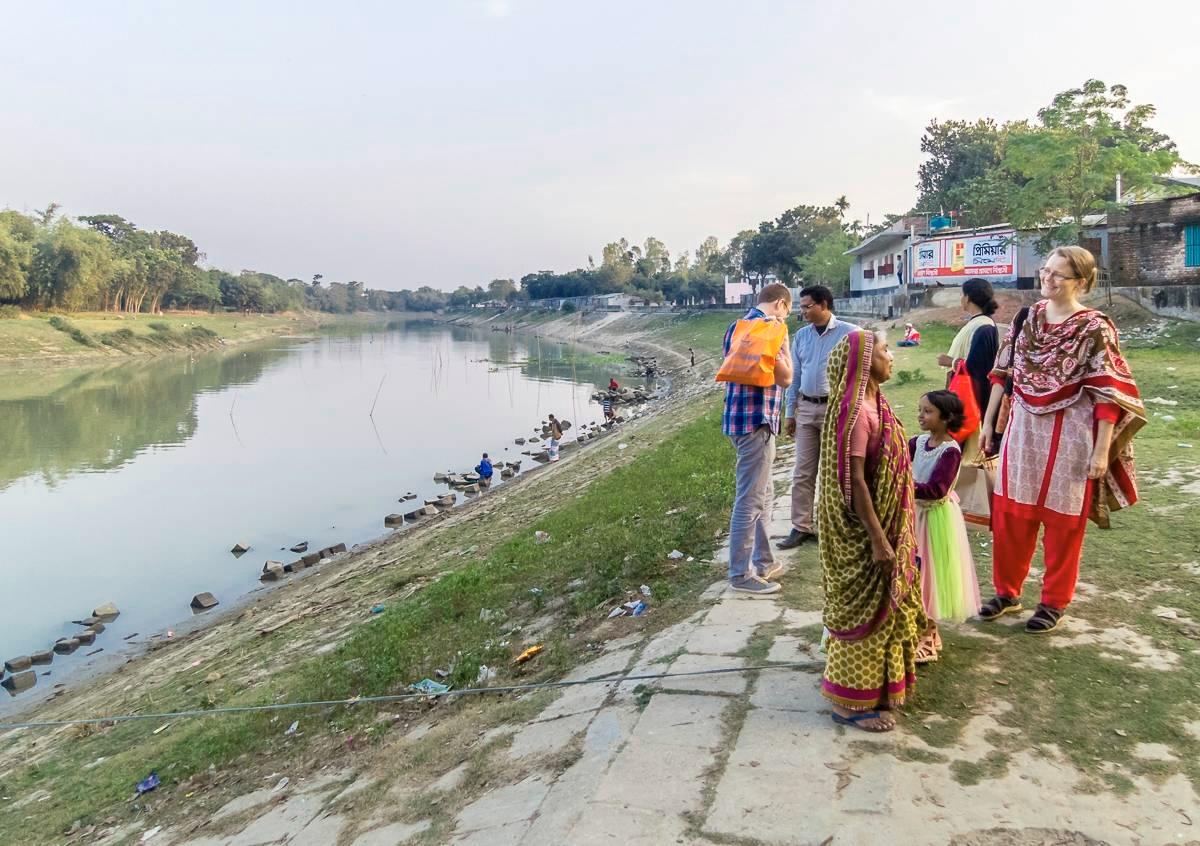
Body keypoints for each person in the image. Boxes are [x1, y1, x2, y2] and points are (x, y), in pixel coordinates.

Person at [979, 246, 1146, 633]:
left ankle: (1054, 601)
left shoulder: (1095, 327)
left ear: (1082, 282)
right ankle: (1007, 591)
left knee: (1063, 521)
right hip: (1023, 429)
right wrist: (989, 424)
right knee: (1011, 514)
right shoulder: (1026, 317)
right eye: (1045, 271)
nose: (1047, 280)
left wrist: (1102, 449)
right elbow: (1002, 374)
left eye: (1058, 275)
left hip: (1071, 431)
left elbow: (1109, 394)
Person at [818, 329, 925, 731]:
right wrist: (879, 539)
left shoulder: (873, 401)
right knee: (863, 615)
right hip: (865, 533)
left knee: (884, 611)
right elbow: (856, 481)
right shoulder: (856, 415)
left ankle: (879, 688)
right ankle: (847, 704)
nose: (891, 355)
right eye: (884, 350)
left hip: (886, 526)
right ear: (864, 363)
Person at [722, 283, 793, 595]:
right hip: (758, 422)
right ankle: (740, 574)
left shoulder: (735, 327)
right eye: (788, 309)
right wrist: (785, 344)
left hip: (737, 420)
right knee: (750, 499)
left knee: (762, 494)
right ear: (780, 304)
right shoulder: (773, 330)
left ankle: (763, 561)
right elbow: (786, 377)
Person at [778, 285, 857, 550]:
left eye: (807, 306)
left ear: (824, 304)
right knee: (803, 471)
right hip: (806, 408)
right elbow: (795, 376)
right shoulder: (801, 336)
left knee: (834, 472)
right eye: (801, 307)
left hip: (836, 410)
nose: (803, 312)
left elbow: (859, 377)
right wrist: (790, 413)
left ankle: (834, 525)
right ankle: (801, 526)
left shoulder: (851, 333)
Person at [910, 391, 980, 663]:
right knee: (914, 575)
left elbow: (937, 490)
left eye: (928, 411)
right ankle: (923, 631)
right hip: (914, 514)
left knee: (931, 576)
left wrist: (903, 485)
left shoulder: (950, 451)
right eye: (920, 409)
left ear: (946, 418)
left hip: (935, 521)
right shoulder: (917, 443)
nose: (921, 415)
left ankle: (928, 636)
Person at [937, 278, 999, 461]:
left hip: (972, 400)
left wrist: (951, 362)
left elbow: (980, 368)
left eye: (962, 294)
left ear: (969, 298)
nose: (961, 299)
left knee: (968, 454)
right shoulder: (977, 323)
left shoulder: (984, 327)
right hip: (962, 396)